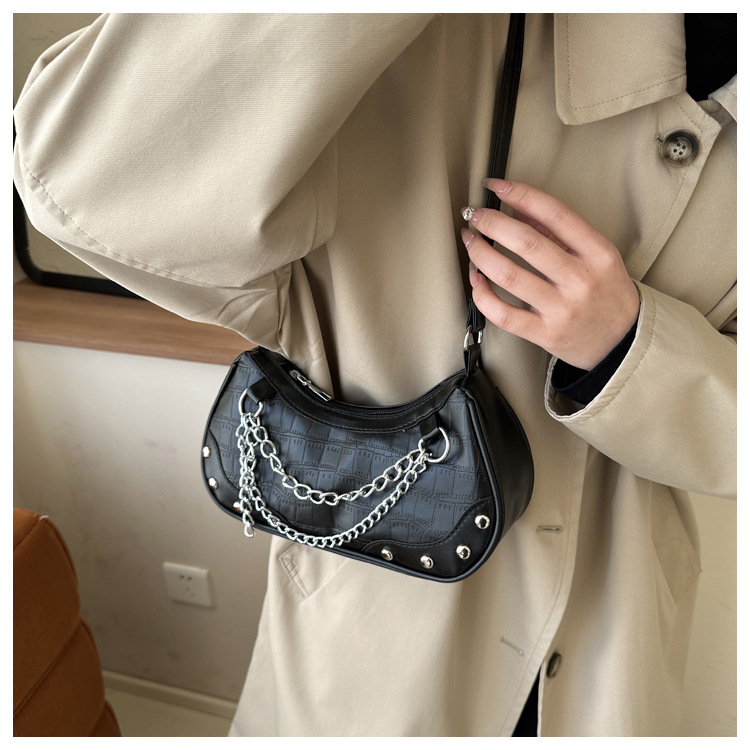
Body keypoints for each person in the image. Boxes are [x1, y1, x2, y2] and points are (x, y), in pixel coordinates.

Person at [13, 13, 736, 736]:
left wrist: (629, 346)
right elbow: (81, 182)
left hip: (617, 627)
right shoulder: (437, 37)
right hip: (383, 633)